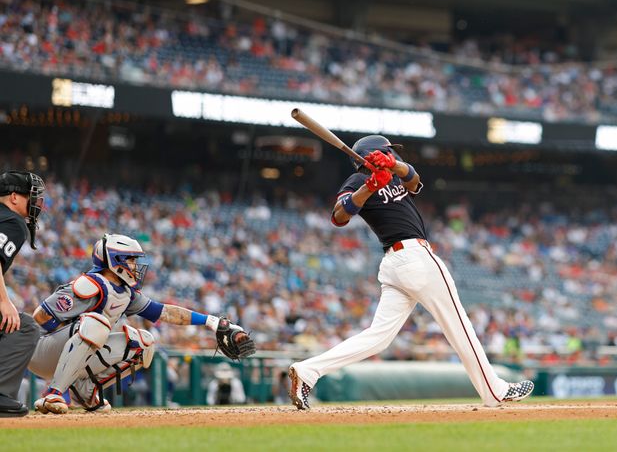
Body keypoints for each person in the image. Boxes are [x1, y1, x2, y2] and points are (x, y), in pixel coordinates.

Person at [288, 135, 534, 409]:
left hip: (400, 265)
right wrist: (369, 186)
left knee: (378, 338)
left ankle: (308, 371)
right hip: (411, 257)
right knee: (459, 325)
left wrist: (392, 165)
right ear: (374, 154)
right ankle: (495, 391)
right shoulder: (357, 181)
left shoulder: (394, 174)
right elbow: (338, 216)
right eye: (389, 152)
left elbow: (415, 180)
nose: (394, 157)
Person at [28, 233, 254, 414]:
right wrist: (74, 333)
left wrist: (211, 321)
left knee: (144, 343)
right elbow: (41, 317)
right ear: (115, 261)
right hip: (41, 351)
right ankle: (55, 392)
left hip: (71, 354)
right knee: (95, 323)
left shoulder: (126, 293)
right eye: (131, 260)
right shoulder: (89, 284)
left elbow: (164, 312)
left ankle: (85, 390)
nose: (136, 266)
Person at [0, 171, 45, 417]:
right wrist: (4, 301)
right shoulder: (12, 221)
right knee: (23, 326)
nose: (35, 203)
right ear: (14, 197)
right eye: (31, 196)